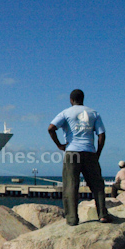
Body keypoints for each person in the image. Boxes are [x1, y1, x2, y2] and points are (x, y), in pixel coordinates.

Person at [48, 89, 109, 225]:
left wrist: (59, 145)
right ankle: (103, 215)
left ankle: (72, 218)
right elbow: (102, 134)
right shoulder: (94, 113)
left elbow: (51, 128)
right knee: (97, 185)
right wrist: (97, 153)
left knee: (70, 185)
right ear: (83, 98)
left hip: (72, 152)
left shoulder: (66, 113)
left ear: (71, 100)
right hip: (90, 152)